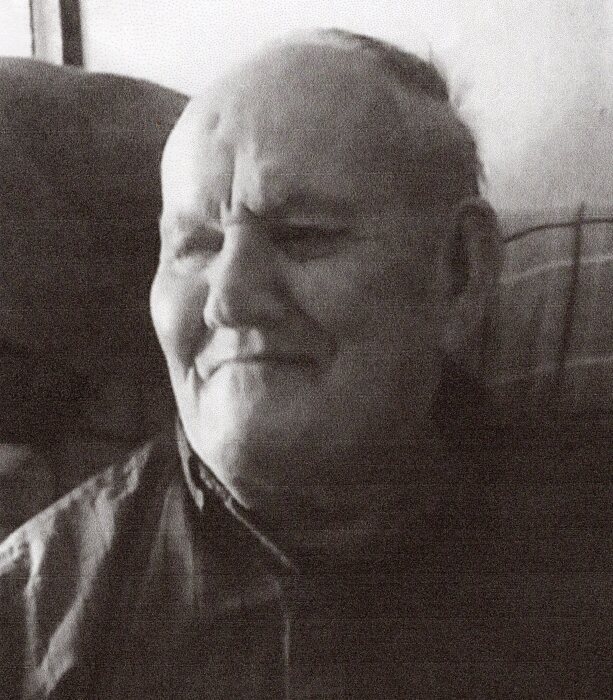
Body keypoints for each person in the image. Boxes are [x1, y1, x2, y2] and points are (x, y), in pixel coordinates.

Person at [0, 30, 608, 699]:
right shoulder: (28, 617)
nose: (228, 301)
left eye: (303, 235)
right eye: (196, 246)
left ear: (460, 270)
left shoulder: (586, 540)